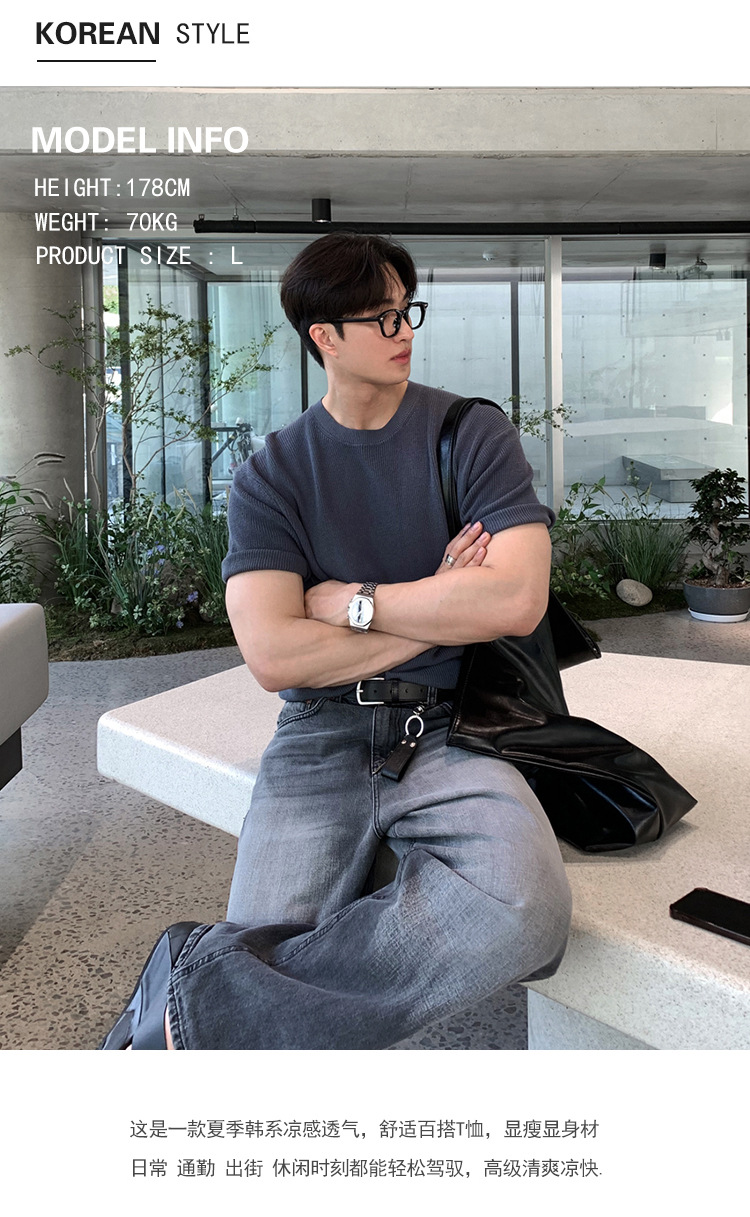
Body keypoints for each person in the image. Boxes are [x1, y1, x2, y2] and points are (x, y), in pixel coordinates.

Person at [101, 232, 571, 1050]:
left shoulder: (471, 434)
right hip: (319, 734)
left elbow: (518, 599)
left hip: (453, 726)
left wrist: (354, 604)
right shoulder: (272, 475)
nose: (403, 331)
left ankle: (190, 1004)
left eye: (407, 311)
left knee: (525, 905)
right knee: (270, 940)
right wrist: (439, 605)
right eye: (381, 317)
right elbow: (275, 656)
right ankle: (214, 1014)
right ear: (324, 336)